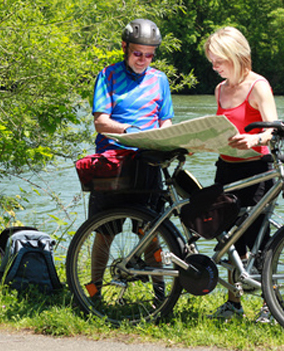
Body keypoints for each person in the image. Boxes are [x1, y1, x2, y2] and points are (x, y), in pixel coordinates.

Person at [88, 19, 173, 295]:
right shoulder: (108, 76)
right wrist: (129, 130)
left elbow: (165, 123)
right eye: (138, 54)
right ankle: (93, 292)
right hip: (112, 163)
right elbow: (101, 121)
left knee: (149, 232)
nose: (143, 60)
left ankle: (160, 295)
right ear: (124, 47)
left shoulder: (159, 79)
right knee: (105, 232)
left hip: (147, 164)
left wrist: (165, 139)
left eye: (150, 55)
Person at [204, 26, 278, 321]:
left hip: (257, 169)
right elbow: (220, 129)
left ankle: (269, 308)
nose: (214, 67)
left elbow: (273, 128)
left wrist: (254, 138)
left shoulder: (258, 85)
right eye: (211, 61)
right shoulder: (220, 90)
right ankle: (233, 304)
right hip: (226, 169)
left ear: (235, 55)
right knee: (229, 238)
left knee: (260, 238)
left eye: (218, 60)